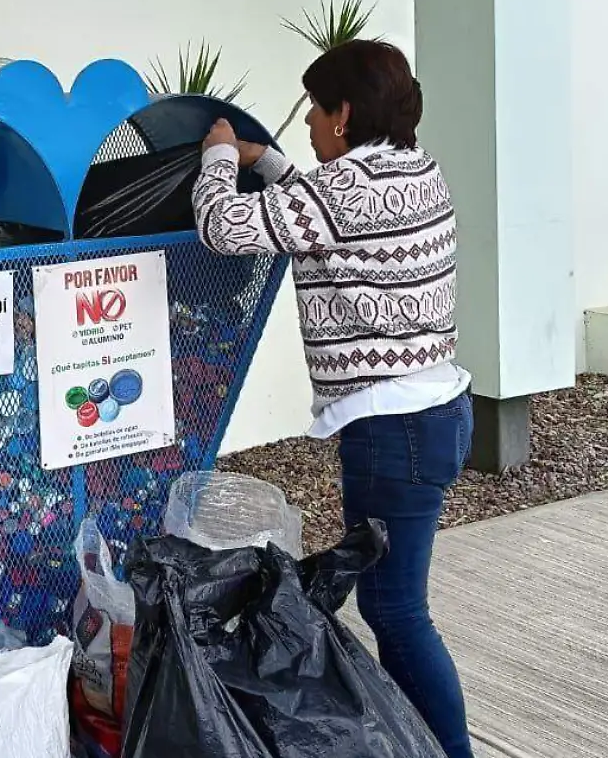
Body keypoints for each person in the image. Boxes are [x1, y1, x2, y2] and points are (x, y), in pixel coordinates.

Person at [192, 38, 473, 758]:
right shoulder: (416, 169)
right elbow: (324, 216)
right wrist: (270, 165)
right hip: (437, 411)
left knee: (397, 610)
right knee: (398, 604)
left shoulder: (340, 191)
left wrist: (221, 156)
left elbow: (225, 228)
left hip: (393, 427)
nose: (310, 128)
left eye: (316, 111)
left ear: (343, 113)